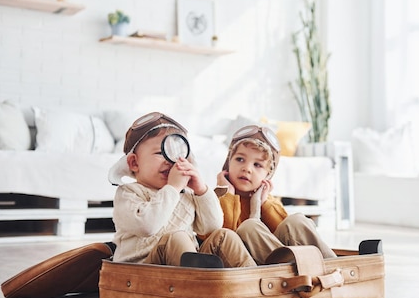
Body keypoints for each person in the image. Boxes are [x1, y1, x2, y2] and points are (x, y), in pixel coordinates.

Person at [107, 112, 256, 268]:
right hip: (143, 270)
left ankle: (253, 280)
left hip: (184, 268)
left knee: (225, 236)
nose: (170, 161)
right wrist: (173, 187)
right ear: (134, 163)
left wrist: (201, 190)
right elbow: (147, 226)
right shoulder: (128, 193)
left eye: (176, 154)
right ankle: (200, 285)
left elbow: (212, 226)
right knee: (177, 238)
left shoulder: (185, 194)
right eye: (160, 153)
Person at [213, 124, 337, 264]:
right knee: (250, 226)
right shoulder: (216, 199)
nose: (247, 168)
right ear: (228, 163)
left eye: (257, 165)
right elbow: (225, 239)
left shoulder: (268, 201)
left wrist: (263, 203)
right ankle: (300, 273)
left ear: (268, 175)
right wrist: (227, 195)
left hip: (275, 256)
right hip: (249, 265)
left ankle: (334, 268)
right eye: (240, 159)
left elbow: (287, 235)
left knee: (296, 220)